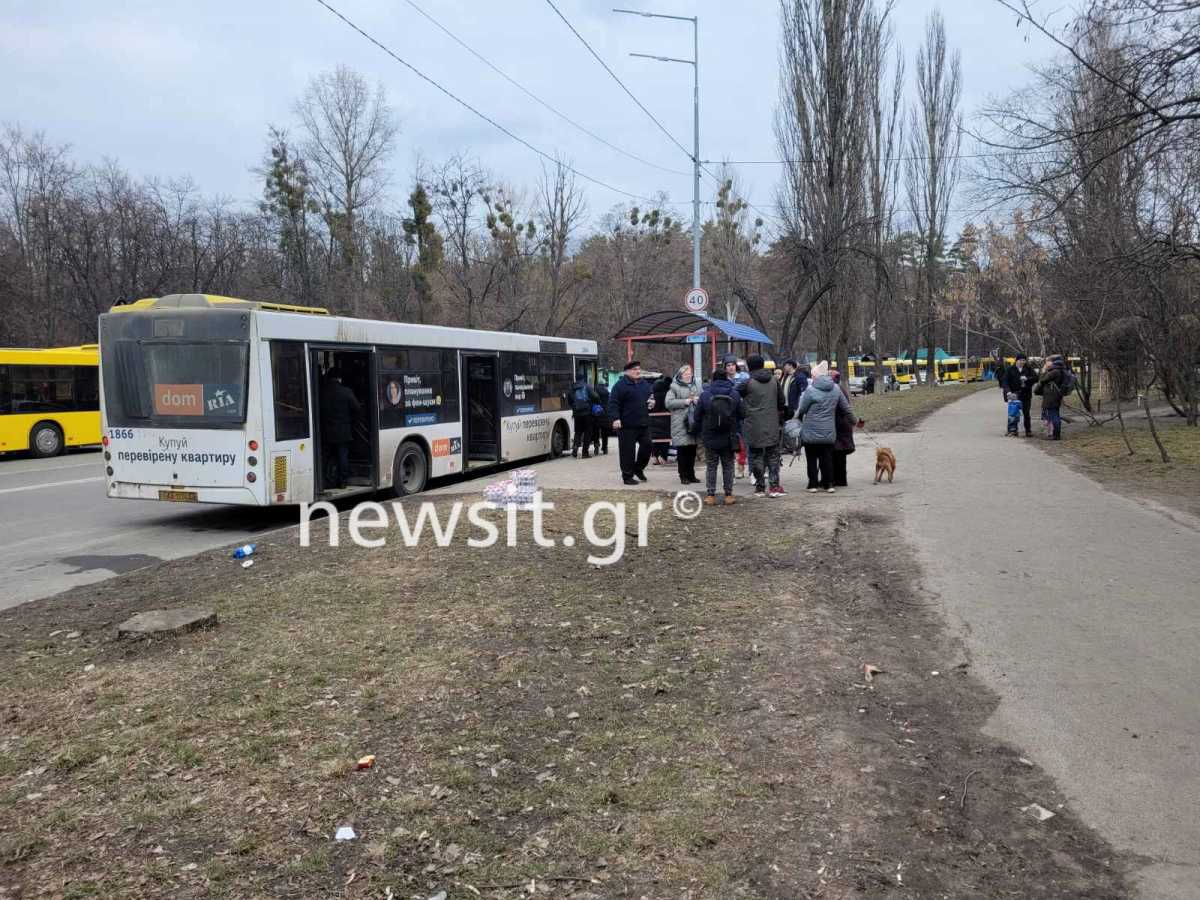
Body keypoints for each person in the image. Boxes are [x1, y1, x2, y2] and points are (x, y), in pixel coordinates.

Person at [797, 361, 851, 493]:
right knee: (826, 457)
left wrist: (796, 419)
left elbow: (802, 409)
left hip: (810, 431)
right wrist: (855, 422)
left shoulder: (810, 390)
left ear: (815, 376)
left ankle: (813, 484)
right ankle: (829, 484)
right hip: (828, 431)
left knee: (811, 458)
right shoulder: (836, 389)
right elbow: (846, 409)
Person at [738, 354, 786, 498]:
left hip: (753, 425)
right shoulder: (774, 380)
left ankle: (760, 487)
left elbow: (735, 397)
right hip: (772, 423)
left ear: (749, 366)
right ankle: (774, 487)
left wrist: (745, 411)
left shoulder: (747, 383)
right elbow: (781, 401)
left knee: (756, 455)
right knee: (773, 455)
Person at [694, 366, 743, 506]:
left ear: (713, 379)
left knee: (711, 466)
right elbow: (742, 414)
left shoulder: (705, 395)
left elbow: (697, 416)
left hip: (710, 436)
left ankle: (710, 495)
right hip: (729, 436)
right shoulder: (734, 394)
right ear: (727, 377)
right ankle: (728, 495)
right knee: (728, 465)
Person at [608, 360, 655, 484]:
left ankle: (638, 469)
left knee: (647, 446)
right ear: (627, 372)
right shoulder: (620, 386)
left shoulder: (644, 384)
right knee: (627, 452)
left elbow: (650, 397)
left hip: (643, 423)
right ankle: (627, 476)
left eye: (639, 369)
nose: (638, 371)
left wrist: (652, 402)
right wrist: (615, 418)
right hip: (626, 425)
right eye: (634, 369)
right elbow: (613, 404)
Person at [319, 367, 361, 489]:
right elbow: (357, 408)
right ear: (339, 379)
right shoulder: (346, 391)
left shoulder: (323, 392)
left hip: (326, 432)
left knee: (326, 457)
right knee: (343, 457)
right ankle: (343, 482)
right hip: (343, 432)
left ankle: (325, 480)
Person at [664, 364, 701, 485]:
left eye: (689, 373)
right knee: (682, 451)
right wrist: (685, 401)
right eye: (686, 373)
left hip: (694, 422)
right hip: (680, 423)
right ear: (680, 375)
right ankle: (683, 475)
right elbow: (668, 403)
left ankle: (691, 475)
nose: (688, 375)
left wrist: (697, 400)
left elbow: (703, 398)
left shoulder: (697, 385)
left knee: (692, 450)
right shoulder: (674, 387)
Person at [830, 369, 856, 487]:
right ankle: (841, 479)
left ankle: (838, 479)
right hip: (843, 425)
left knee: (837, 453)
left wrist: (854, 421)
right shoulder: (839, 388)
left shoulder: (836, 389)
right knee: (839, 454)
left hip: (839, 425)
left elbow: (845, 408)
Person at [1003, 354, 1037, 437]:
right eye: (1020, 360)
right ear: (1016, 360)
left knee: (1026, 413)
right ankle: (1012, 430)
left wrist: (1027, 379)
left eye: (1024, 360)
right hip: (1014, 394)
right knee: (1013, 413)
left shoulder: (1028, 369)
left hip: (1026, 394)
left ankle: (1028, 431)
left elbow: (1036, 378)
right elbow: (1005, 382)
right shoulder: (1010, 369)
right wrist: (1008, 392)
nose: (1022, 362)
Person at [1034, 355, 1067, 440]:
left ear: (1053, 362)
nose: (1046, 363)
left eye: (1048, 361)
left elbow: (1042, 379)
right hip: (1055, 396)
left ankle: (1056, 436)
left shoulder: (1054, 371)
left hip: (1051, 397)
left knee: (1054, 416)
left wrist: (1044, 370)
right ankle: (1056, 435)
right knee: (1055, 414)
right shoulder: (1059, 370)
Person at [569, 371, 599, 458]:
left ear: (576, 378)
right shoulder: (587, 386)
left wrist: (574, 407)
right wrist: (594, 403)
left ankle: (575, 447)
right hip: (587, 413)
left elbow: (569, 400)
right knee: (587, 432)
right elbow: (596, 396)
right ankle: (585, 452)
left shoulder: (572, 388)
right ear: (583, 378)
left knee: (578, 431)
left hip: (577, 413)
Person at [650, 373, 673, 465]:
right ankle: (663, 456)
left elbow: (648, 407)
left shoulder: (652, 396)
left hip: (653, 421)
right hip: (666, 420)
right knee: (665, 439)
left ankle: (655, 457)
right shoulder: (668, 395)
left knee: (655, 439)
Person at [592, 381, 611, 455]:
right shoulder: (606, 392)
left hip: (596, 413)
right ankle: (605, 448)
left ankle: (596, 447)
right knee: (605, 432)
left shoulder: (594, 391)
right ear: (604, 385)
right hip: (605, 414)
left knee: (596, 431)